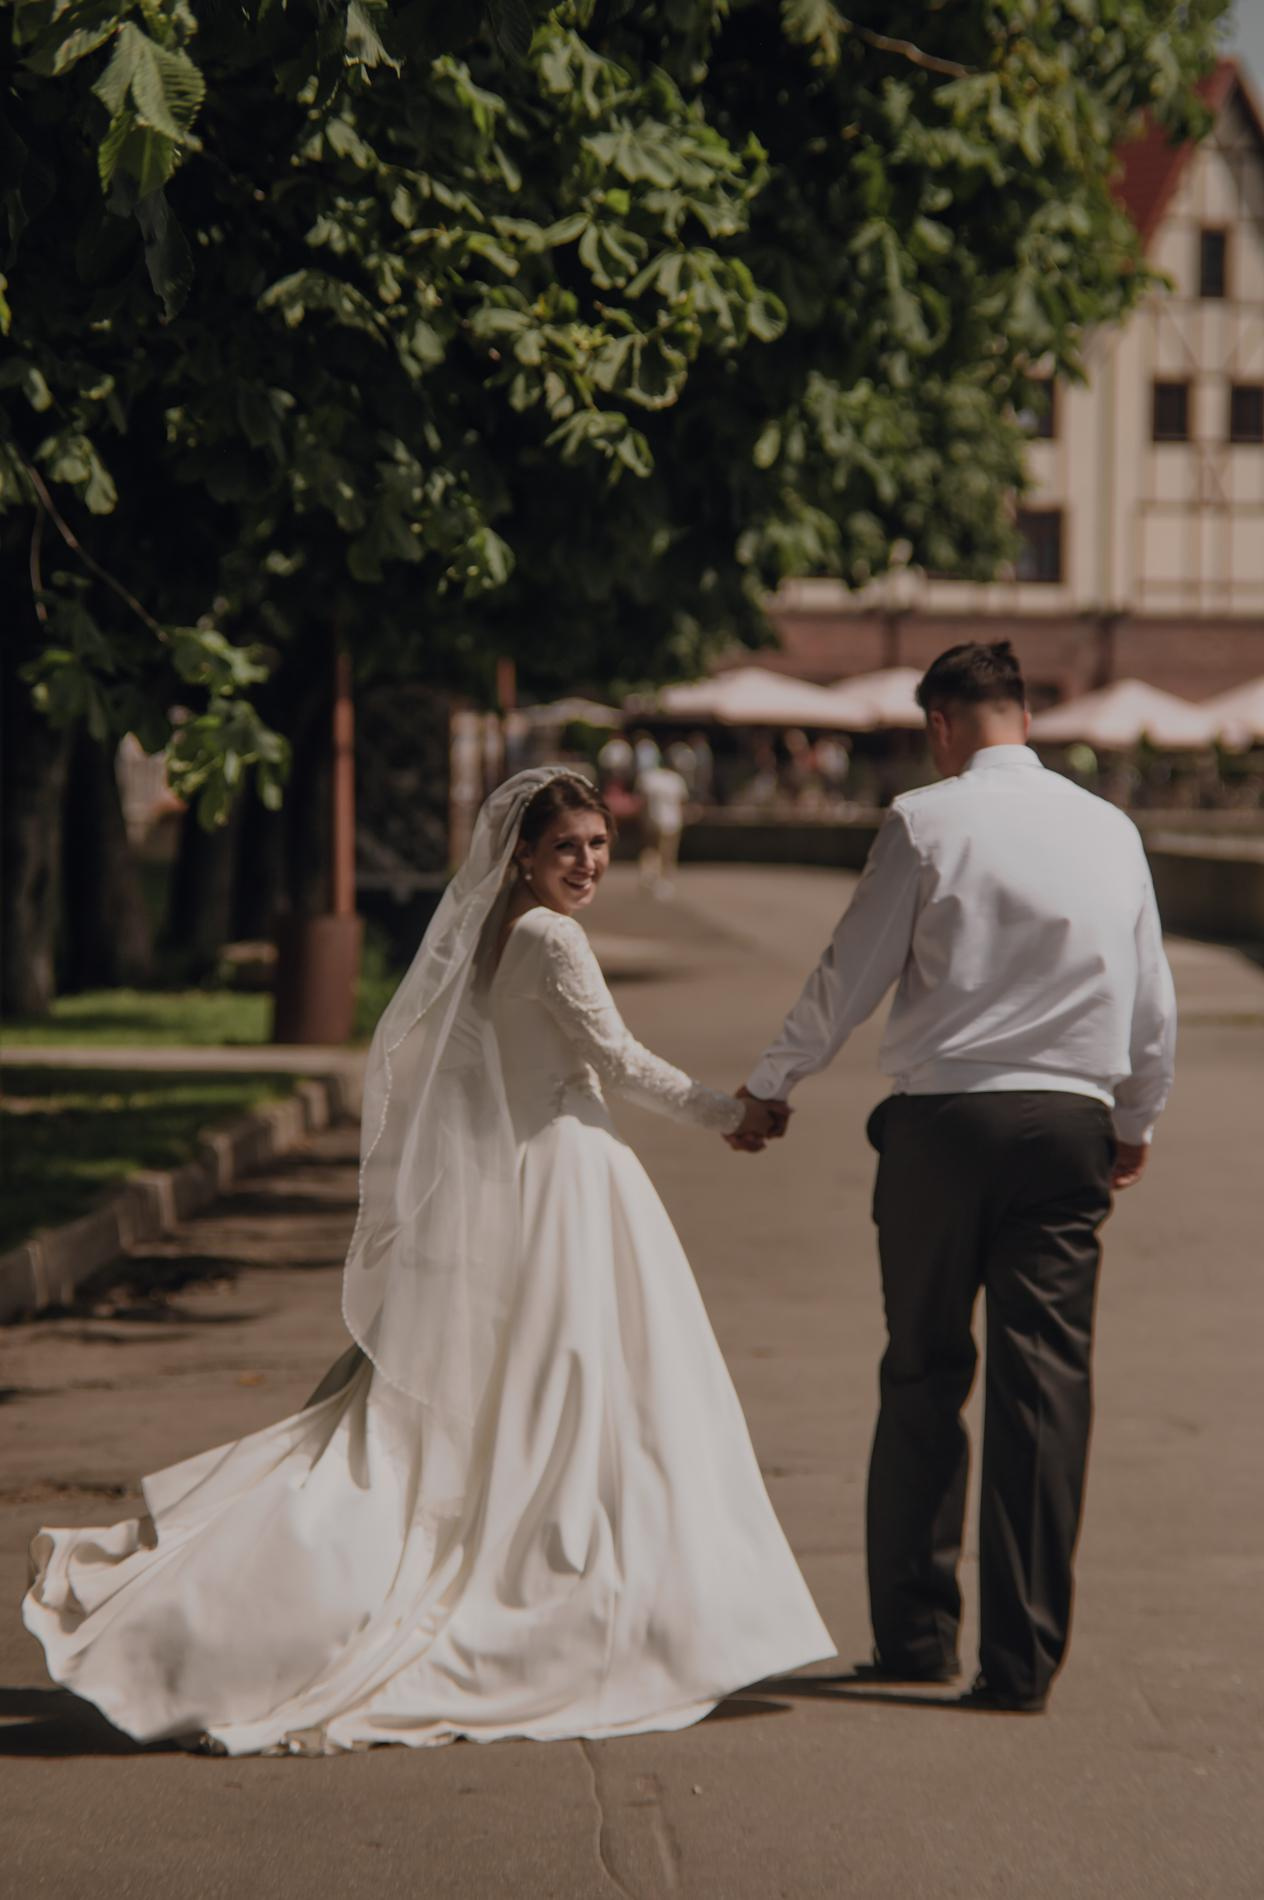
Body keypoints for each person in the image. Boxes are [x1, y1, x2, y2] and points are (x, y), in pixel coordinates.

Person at [24, 767, 832, 1755]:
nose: (587, 863)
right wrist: (732, 1114)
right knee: (581, 1397)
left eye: (597, 844)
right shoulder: (548, 934)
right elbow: (616, 1061)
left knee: (546, 1400)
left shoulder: (498, 931)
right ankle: (611, 1597)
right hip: (563, 1181)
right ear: (524, 856)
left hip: (536, 1177)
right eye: (567, 846)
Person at [738, 641, 1176, 1714]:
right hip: (1067, 1122)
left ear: (940, 722)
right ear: (1021, 714)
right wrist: (1134, 1119)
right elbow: (1150, 997)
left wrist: (772, 1082)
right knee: (1045, 1385)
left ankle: (916, 1634)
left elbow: (853, 968)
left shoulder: (923, 821)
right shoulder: (1110, 828)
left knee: (925, 1370)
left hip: (940, 1125)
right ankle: (1020, 1662)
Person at [636, 758, 689, 897]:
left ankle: (649, 877)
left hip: (655, 820)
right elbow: (681, 802)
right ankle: (661, 880)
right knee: (666, 853)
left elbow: (642, 800)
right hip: (670, 821)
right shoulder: (676, 779)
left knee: (652, 850)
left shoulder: (650, 777)